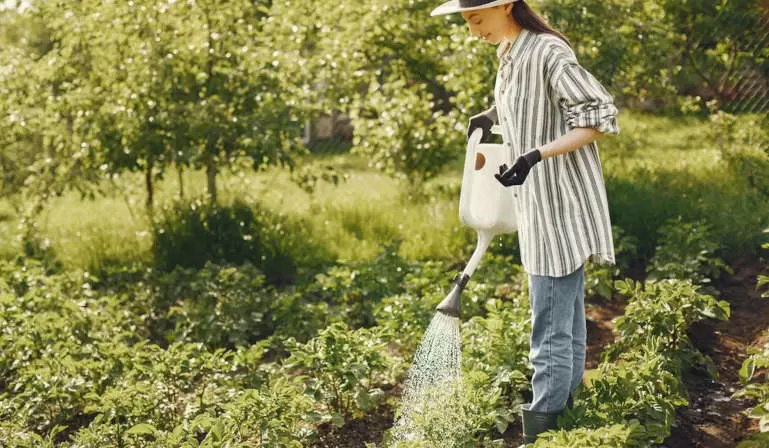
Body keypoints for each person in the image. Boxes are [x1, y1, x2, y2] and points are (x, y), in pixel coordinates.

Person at [429, 0, 621, 445]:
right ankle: (565, 421)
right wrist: (492, 115)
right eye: (467, 22)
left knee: (549, 328)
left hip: (559, 204)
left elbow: (598, 117)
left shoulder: (549, 51)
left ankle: (541, 433)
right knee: (566, 321)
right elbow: (532, 105)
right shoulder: (510, 53)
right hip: (535, 204)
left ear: (506, 7)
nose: (473, 31)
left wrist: (536, 154)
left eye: (476, 19)